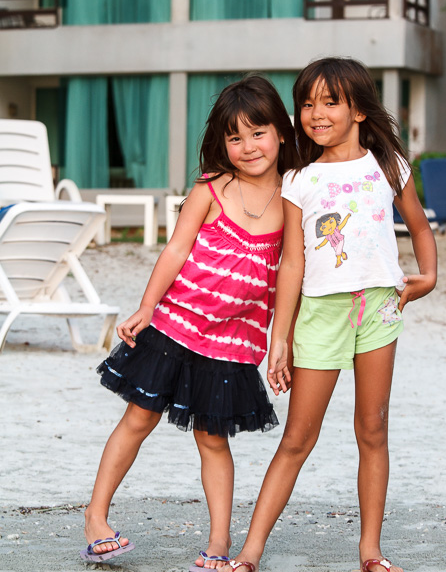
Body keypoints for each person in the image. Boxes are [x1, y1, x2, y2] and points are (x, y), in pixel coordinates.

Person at [220, 57, 437, 572]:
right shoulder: (299, 178)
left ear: (358, 110)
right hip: (321, 312)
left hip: (379, 307)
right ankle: (250, 552)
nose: (316, 113)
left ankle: (370, 552)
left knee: (373, 429)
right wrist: (280, 338)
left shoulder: (390, 165)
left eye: (330, 102)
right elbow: (292, 263)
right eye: (307, 103)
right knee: (298, 437)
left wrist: (428, 276)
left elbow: (419, 227)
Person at [79, 75, 298, 569]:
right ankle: (96, 516)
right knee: (140, 417)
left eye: (258, 133)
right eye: (235, 137)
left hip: (232, 341)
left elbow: (292, 271)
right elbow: (177, 249)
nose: (248, 147)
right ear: (222, 142)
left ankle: (219, 541)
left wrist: (281, 339)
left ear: (281, 133)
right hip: (175, 324)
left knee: (213, 438)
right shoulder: (213, 187)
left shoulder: (294, 197)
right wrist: (147, 306)